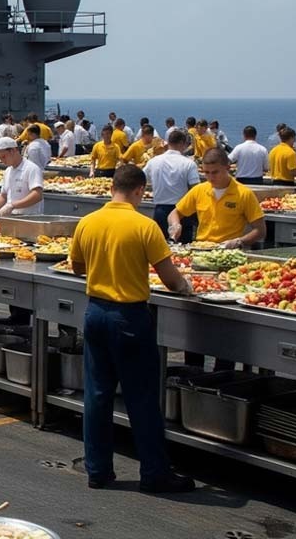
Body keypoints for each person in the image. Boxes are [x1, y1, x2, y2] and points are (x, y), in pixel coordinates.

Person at [69, 163, 194, 493]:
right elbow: (169, 277)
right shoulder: (144, 225)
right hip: (129, 317)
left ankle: (97, 470)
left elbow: (77, 266)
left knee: (97, 395)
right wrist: (187, 288)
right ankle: (154, 473)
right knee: (141, 397)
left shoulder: (88, 222)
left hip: (95, 312)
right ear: (139, 190)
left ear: (112, 187)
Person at [170, 148, 266, 250]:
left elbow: (260, 231)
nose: (210, 177)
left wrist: (239, 241)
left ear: (227, 168)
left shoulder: (244, 194)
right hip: (201, 249)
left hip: (229, 252)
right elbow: (174, 213)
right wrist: (175, 225)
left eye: (215, 172)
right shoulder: (199, 190)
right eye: (206, 172)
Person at [145, 130, 199, 242]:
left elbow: (140, 179)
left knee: (160, 248)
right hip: (182, 211)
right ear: (182, 143)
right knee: (184, 250)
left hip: (160, 210)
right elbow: (196, 190)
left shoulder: (153, 162)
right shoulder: (188, 164)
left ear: (168, 142)